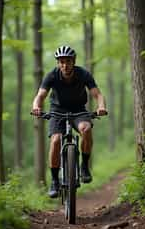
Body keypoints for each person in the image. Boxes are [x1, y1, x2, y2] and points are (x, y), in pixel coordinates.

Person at [32, 45, 107, 198]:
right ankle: (54, 181)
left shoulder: (83, 74)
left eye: (68, 61)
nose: (65, 65)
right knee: (56, 140)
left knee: (86, 129)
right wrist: (36, 107)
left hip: (78, 110)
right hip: (57, 111)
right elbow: (40, 96)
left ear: (74, 61)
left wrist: (101, 106)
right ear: (58, 63)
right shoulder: (52, 75)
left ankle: (84, 166)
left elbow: (97, 94)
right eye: (61, 62)